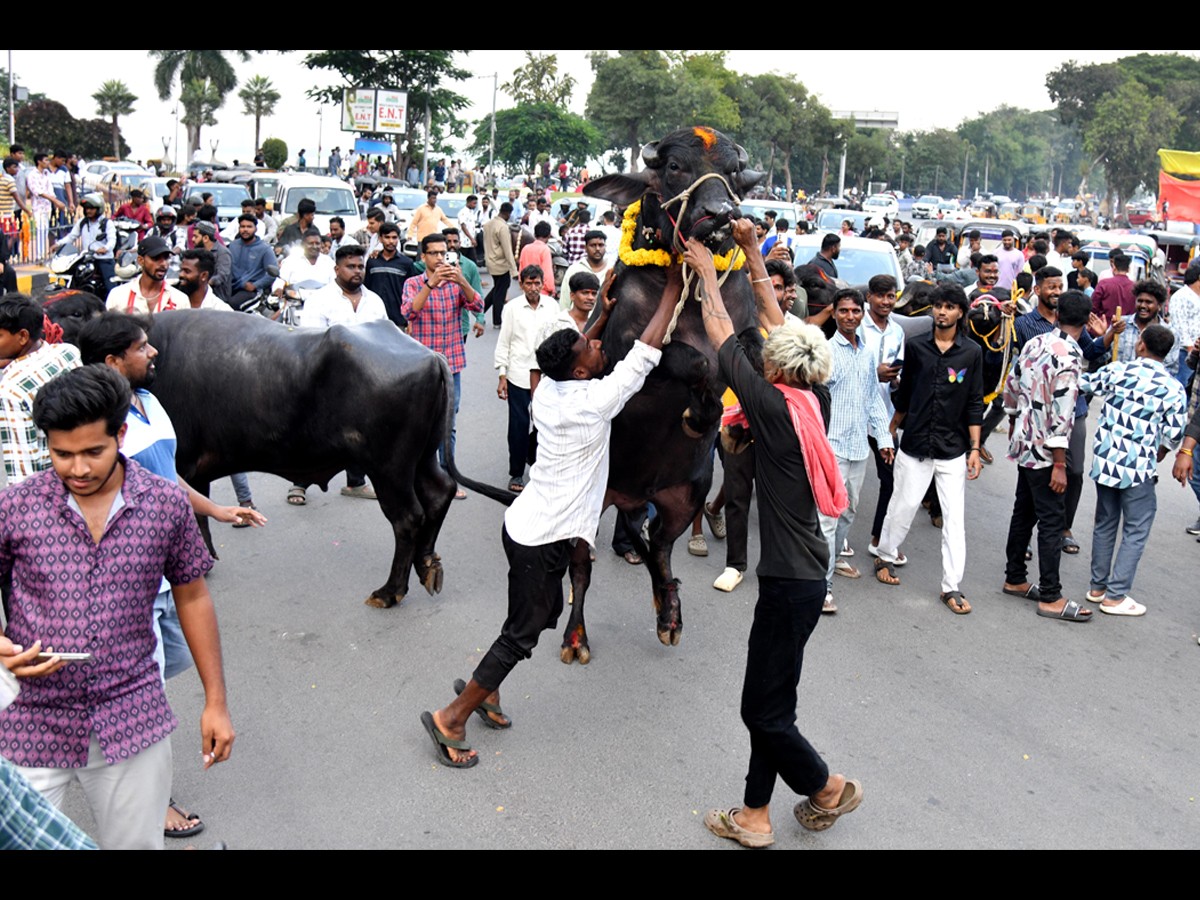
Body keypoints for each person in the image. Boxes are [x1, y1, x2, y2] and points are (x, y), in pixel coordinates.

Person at [421, 252, 683, 769]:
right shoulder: (595, 401)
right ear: (582, 368)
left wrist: (601, 314)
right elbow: (646, 349)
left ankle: (486, 689)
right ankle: (451, 717)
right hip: (539, 538)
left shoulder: (551, 391)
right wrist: (674, 284)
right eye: (591, 345)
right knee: (526, 630)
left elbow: (568, 350)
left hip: (528, 530)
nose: (597, 343)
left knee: (537, 618)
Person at [0, 365, 234, 850]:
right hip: (27, 715)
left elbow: (192, 594)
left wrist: (216, 701)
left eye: (93, 452)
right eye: (62, 454)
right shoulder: (16, 506)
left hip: (132, 713)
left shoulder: (166, 504)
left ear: (121, 434)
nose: (78, 469)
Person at [683, 233, 860, 848]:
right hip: (804, 577)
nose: (762, 361)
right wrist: (751, 253)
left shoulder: (769, 404)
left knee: (761, 712)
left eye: (770, 358)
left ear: (777, 369)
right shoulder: (813, 398)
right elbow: (775, 319)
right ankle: (755, 817)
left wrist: (708, 272)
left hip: (789, 585)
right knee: (773, 704)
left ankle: (826, 785)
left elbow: (720, 324)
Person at [77, 315, 263, 835]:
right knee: (142, 693)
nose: (153, 352)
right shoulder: (96, 433)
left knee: (159, 671)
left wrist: (219, 511)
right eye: (141, 347)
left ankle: (102, 734)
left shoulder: (149, 404)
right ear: (113, 362)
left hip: (167, 576)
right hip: (133, 583)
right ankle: (150, 796)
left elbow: (168, 478)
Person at [872, 284, 984, 614]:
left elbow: (975, 401)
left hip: (953, 449)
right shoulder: (917, 346)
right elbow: (904, 396)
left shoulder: (971, 352)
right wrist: (889, 432)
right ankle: (886, 556)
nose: (942, 312)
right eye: (938, 306)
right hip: (916, 443)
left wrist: (975, 449)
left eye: (949, 307)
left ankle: (951, 587)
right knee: (903, 505)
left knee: (954, 521)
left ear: (960, 312)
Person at [1078, 323, 1186, 616]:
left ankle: (1097, 587)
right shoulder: (1172, 388)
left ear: (1141, 345)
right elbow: (1175, 433)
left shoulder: (1118, 371)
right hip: (1138, 467)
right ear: (1167, 353)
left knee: (1105, 523)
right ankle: (1116, 596)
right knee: (1136, 530)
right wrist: (1161, 449)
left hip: (1106, 461)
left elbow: (1083, 384)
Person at [1000, 290, 1093, 622]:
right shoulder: (1069, 356)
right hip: (1044, 451)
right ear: (1086, 319)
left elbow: (1010, 387)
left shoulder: (1034, 343)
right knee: (1052, 521)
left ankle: (1015, 577)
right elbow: (1063, 414)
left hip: (1024, 442)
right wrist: (1059, 464)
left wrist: (1014, 420)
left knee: (1023, 512)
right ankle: (1051, 595)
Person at [291, 244, 389, 505]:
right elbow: (309, 343)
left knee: (358, 434)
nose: (357, 271)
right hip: (327, 381)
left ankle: (355, 482)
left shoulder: (374, 301)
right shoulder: (320, 300)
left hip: (365, 381)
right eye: (351, 266)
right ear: (337, 269)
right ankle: (299, 484)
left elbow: (383, 338)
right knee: (316, 434)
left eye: (360, 266)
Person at [819, 289, 894, 614]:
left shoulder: (866, 353)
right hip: (830, 446)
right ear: (834, 313)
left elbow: (872, 397)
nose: (850, 316)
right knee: (827, 519)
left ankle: (833, 561)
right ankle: (823, 587)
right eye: (844, 311)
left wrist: (884, 438)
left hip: (859, 448)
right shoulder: (824, 352)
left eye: (855, 311)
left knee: (848, 513)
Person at [402, 233, 484, 489]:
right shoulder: (414, 283)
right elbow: (408, 312)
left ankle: (447, 479)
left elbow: (477, 304)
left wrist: (462, 281)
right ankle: (423, 476)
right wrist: (430, 284)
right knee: (420, 422)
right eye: (434, 253)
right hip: (421, 366)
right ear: (423, 256)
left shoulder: (455, 284)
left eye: (443, 252)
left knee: (448, 424)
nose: (439, 258)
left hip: (451, 364)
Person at [0, 295, 82, 484]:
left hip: (49, 493)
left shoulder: (12, 391)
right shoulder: (67, 352)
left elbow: (22, 475)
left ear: (22, 336)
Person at [495, 266, 561, 492]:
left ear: (543, 284)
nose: (533, 288)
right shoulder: (512, 308)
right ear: (521, 284)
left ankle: (541, 466)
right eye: (528, 284)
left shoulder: (552, 306)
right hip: (518, 375)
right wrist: (502, 374)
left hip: (548, 376)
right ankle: (516, 474)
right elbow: (504, 342)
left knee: (546, 425)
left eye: (537, 283)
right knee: (519, 425)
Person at [859, 276, 906, 561]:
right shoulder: (855, 323)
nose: (886, 302)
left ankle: (879, 538)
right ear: (869, 297)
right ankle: (834, 542)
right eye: (881, 296)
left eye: (891, 296)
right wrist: (872, 373)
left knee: (890, 481)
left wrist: (896, 378)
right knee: (844, 483)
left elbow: (900, 371)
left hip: (885, 418)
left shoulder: (898, 332)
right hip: (852, 415)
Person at [104, 235, 187, 315]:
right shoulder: (118, 295)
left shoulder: (180, 300)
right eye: (156, 258)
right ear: (140, 260)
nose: (163, 264)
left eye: (166, 258)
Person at [50, 194, 116, 292]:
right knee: (75, 280)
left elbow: (112, 240)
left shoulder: (106, 223)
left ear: (98, 209)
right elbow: (71, 236)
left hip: (103, 259)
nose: (88, 211)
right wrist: (58, 244)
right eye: (86, 208)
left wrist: (105, 248)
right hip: (87, 259)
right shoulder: (82, 222)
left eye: (91, 208)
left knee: (110, 286)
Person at [363, 222, 415, 328]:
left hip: (398, 318)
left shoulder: (406, 263)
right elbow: (366, 289)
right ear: (380, 239)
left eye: (394, 237)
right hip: (374, 317)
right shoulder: (372, 262)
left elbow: (411, 292)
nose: (391, 241)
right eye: (387, 237)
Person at [273, 227, 336, 305]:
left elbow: (335, 283)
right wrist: (278, 288)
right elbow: (281, 279)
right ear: (303, 245)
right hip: (294, 304)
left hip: (323, 305)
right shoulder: (291, 261)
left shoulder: (329, 262)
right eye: (310, 243)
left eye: (317, 243)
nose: (314, 246)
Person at [482, 202, 519, 328]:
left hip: (490, 261)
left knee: (497, 288)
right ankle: (497, 321)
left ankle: (480, 311)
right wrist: (514, 270)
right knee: (500, 292)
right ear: (508, 213)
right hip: (500, 263)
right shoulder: (502, 227)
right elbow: (508, 250)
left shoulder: (488, 224)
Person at [227, 214, 275, 311]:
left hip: (251, 291)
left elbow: (272, 274)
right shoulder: (232, 245)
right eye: (242, 226)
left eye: (249, 227)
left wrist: (255, 285)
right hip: (230, 287)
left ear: (255, 229)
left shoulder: (265, 249)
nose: (245, 230)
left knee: (232, 305)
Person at [558, 230, 609, 310]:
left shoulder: (611, 270)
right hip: (576, 321)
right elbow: (565, 300)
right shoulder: (574, 269)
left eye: (601, 245)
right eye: (593, 245)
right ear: (585, 248)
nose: (597, 249)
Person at [1169, 265, 1200, 390]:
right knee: (1182, 384)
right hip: (1185, 351)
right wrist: (1190, 348)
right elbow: (1179, 323)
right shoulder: (1181, 296)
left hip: (1196, 351)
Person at [191, 221, 232, 301]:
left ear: (206, 238)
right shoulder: (198, 251)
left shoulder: (222, 253)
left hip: (218, 296)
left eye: (196, 237)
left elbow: (222, 276)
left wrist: (204, 283)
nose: (192, 239)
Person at [1091, 250, 1134, 321]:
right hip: (1127, 327)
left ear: (1114, 268)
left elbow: (1094, 306)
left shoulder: (1104, 284)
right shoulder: (1135, 287)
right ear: (1128, 269)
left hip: (1105, 325)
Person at [518, 222, 556, 298]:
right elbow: (547, 272)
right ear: (549, 236)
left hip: (526, 288)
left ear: (535, 234)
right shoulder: (545, 249)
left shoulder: (525, 248)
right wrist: (551, 289)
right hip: (540, 290)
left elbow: (521, 269)